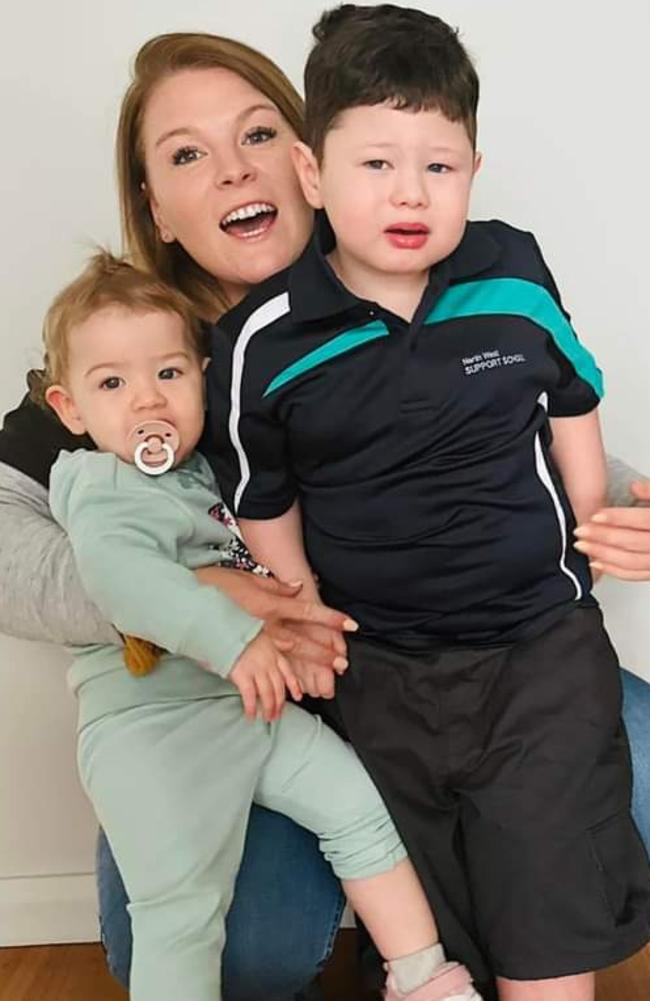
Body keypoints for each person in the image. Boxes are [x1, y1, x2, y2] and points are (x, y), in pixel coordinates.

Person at [0, 26, 649, 1001]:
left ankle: (438, 922)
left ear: (307, 161)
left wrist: (620, 507)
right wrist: (198, 595)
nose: (230, 171)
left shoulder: (443, 296)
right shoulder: (118, 371)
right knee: (234, 945)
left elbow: (527, 434)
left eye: (255, 134)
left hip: (476, 675)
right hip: (246, 711)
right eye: (186, 154)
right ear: (156, 209)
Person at [207, 6, 650, 1001]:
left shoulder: (509, 272)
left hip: (538, 651)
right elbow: (259, 492)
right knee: (441, 932)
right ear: (313, 176)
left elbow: (571, 394)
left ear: (471, 171)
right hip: (384, 671)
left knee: (544, 909)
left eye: (437, 166)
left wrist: (599, 514)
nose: (409, 192)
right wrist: (300, 603)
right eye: (374, 165)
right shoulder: (260, 343)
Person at [37, 249, 484, 1001]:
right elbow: (123, 581)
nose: (147, 401)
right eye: (112, 382)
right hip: (155, 733)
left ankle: (426, 980)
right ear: (70, 408)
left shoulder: (210, 473)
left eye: (169, 374)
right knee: (182, 911)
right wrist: (236, 634)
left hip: (253, 705)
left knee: (361, 812)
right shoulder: (100, 486)